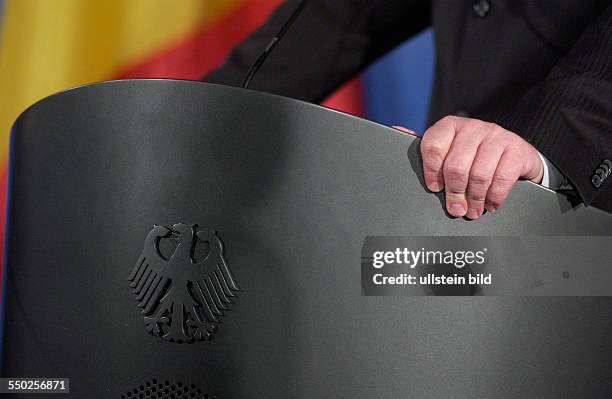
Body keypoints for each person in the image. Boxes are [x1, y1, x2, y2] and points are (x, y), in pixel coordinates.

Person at [203, 0, 612, 216]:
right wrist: (197, 116)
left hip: (584, 244)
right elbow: (338, 17)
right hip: (453, 234)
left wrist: (541, 144)